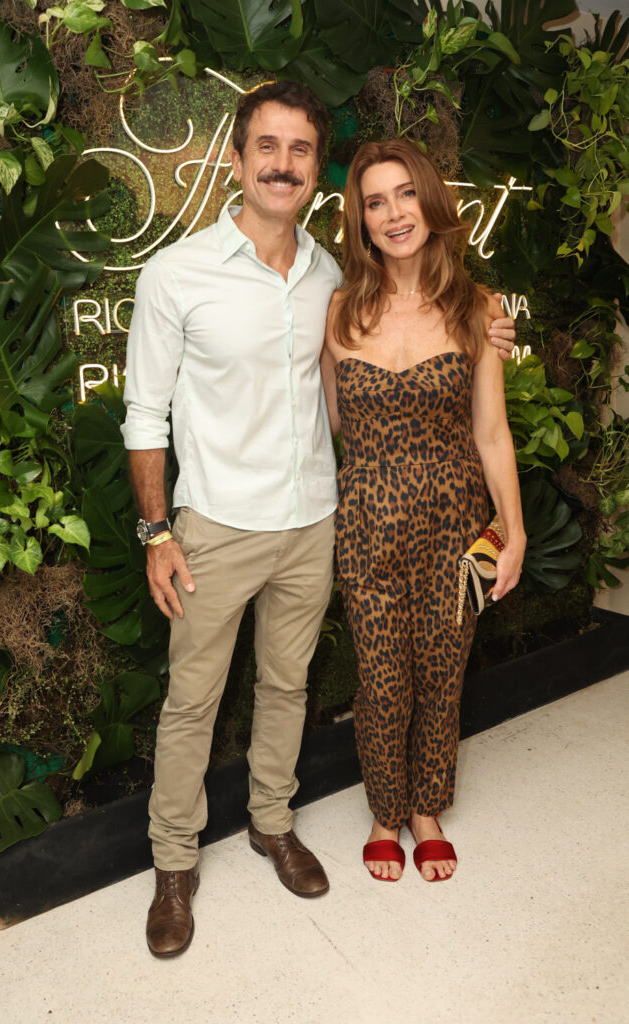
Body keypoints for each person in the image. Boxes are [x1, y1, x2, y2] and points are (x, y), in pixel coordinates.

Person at [121, 83, 517, 957]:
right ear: (235, 159)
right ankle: (174, 864)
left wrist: (489, 332)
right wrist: (156, 532)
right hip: (215, 524)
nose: (282, 164)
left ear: (314, 170)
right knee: (192, 702)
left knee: (287, 688)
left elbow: (368, 390)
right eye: (266, 146)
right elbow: (144, 414)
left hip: (314, 522)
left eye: (299, 150)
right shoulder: (176, 273)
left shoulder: (335, 281)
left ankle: (272, 824)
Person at [320, 139, 526, 884]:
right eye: (375, 202)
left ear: (431, 202)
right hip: (366, 524)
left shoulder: (477, 309)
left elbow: (491, 433)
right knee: (381, 680)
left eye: (406, 193)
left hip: (457, 523)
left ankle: (426, 809)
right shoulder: (338, 311)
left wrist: (513, 531)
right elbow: (330, 426)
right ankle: (385, 809)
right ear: (361, 221)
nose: (394, 213)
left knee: (444, 671)